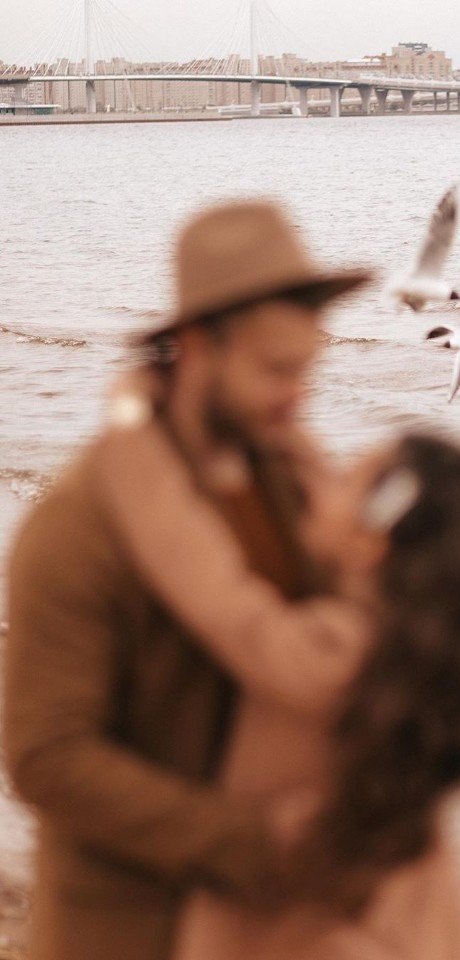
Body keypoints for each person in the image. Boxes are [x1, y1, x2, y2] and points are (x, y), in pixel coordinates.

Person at [1, 199, 372, 960]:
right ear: (199, 348)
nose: (300, 397)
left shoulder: (292, 483)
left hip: (277, 924)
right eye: (276, 370)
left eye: (308, 369)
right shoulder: (78, 528)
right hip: (132, 928)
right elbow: (45, 756)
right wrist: (252, 842)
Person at [92, 411, 460, 960]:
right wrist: (270, 421)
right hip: (412, 922)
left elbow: (196, 568)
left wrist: (133, 428)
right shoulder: (403, 655)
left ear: (369, 545)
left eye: (345, 477)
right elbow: (330, 485)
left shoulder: (328, 657)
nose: (321, 481)